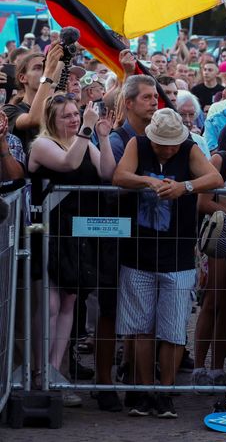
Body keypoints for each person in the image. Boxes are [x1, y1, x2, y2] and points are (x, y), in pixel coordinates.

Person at [112, 108, 222, 418]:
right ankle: (146, 390)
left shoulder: (188, 148)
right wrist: (147, 180)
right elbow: (119, 175)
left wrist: (185, 187)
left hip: (178, 252)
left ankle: (166, 390)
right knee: (141, 327)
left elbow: (215, 177)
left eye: (174, 143)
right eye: (164, 143)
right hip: (139, 250)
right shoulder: (138, 144)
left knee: (174, 328)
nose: (169, 149)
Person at [29, 94, 115, 408]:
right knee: (50, 305)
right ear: (52, 120)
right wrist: (87, 131)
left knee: (68, 302)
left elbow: (107, 172)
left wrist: (103, 138)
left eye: (75, 114)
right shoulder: (42, 144)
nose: (74, 119)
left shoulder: (85, 139)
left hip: (78, 234)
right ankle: (40, 372)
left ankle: (54, 369)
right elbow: (69, 163)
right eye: (66, 116)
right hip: (50, 233)